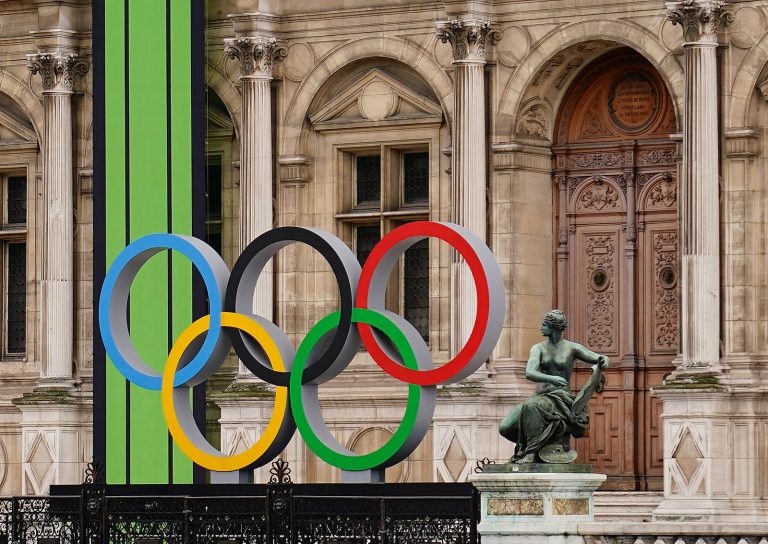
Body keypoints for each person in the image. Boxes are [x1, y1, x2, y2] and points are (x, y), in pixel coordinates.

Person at [499, 310, 608, 464]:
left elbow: (600, 358)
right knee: (505, 427)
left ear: (554, 327)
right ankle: (531, 447)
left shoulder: (572, 348)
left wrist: (604, 361)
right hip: (540, 396)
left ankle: (531, 452)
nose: (541, 327)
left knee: (531, 406)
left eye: (545, 324)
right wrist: (552, 379)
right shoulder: (538, 348)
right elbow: (529, 372)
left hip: (561, 398)